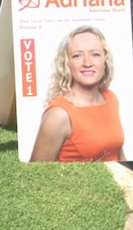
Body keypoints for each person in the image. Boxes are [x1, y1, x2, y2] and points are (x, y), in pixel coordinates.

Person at [30, 26, 125, 162]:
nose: (87, 63)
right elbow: (37, 175)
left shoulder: (111, 98)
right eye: (77, 55)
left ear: (105, 61)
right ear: (66, 63)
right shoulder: (58, 115)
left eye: (95, 54)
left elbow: (116, 153)